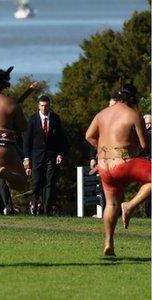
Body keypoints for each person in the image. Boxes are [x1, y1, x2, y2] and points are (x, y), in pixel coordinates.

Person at [85, 85, 150, 256]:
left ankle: (108, 244)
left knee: (111, 204)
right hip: (123, 163)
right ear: (131, 100)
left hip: (104, 166)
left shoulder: (101, 114)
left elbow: (89, 136)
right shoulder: (133, 114)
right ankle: (129, 206)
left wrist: (103, 149)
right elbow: (145, 145)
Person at [23, 95, 68, 216]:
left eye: (46, 106)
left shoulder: (55, 119)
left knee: (50, 183)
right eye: (42, 106)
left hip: (52, 156)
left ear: (49, 106)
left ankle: (47, 209)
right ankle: (34, 207)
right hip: (36, 156)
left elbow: (62, 139)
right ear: (38, 106)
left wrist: (60, 154)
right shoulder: (32, 120)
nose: (44, 108)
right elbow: (27, 140)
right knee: (36, 182)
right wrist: (26, 158)